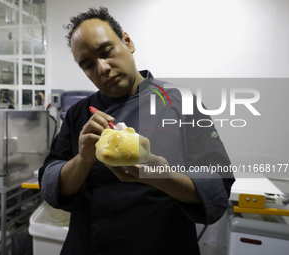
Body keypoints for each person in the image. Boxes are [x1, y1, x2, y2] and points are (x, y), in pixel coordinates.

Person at [39, 7, 235, 255]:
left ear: (128, 42)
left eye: (107, 51)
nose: (102, 68)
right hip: (90, 244)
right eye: (88, 65)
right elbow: (50, 183)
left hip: (164, 244)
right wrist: (83, 159)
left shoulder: (181, 104)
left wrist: (163, 177)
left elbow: (217, 184)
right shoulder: (80, 113)